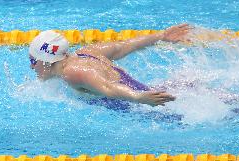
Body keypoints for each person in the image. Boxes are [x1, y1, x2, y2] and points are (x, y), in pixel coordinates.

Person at [29, 24, 190, 106]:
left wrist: (138, 98)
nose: (31, 67)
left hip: (144, 106)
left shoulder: (72, 72)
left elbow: (108, 87)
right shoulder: (87, 52)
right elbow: (125, 45)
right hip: (146, 92)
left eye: (33, 61)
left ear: (46, 60)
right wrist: (161, 35)